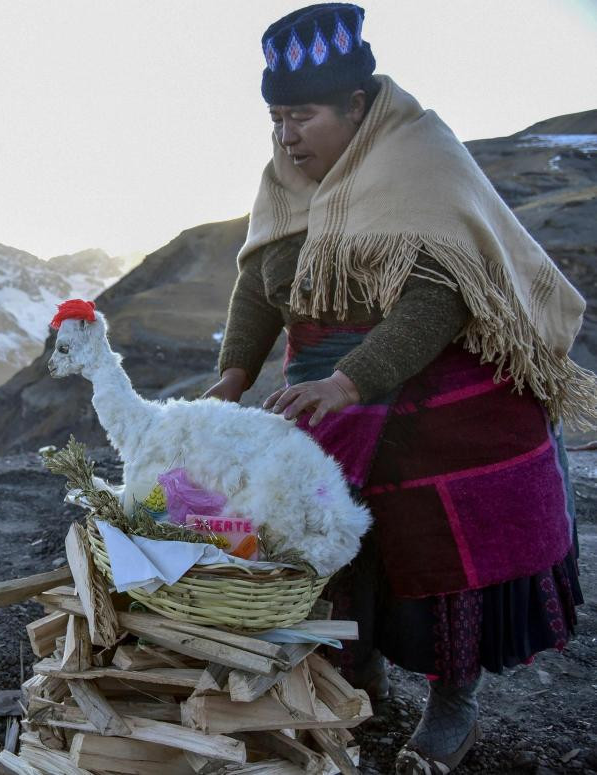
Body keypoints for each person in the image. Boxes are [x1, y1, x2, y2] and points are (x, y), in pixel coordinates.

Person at [203, 4, 594, 773]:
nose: (286, 136)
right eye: (278, 118)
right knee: (333, 542)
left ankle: (455, 706)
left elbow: (438, 297)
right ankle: (359, 676)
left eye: (302, 115)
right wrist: (235, 372)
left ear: (356, 103)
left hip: (437, 402)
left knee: (440, 558)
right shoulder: (285, 175)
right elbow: (262, 278)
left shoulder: (419, 158)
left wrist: (354, 380)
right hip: (329, 395)